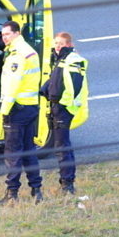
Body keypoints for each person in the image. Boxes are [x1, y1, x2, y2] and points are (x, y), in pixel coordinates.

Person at [0, 21, 43, 204]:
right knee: (29, 151)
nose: (4, 38)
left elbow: (13, 84)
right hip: (30, 107)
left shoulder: (17, 54)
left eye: (7, 34)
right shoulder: (29, 50)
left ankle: (12, 193)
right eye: (2, 35)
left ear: (16, 33)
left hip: (17, 109)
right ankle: (36, 190)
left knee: (13, 153)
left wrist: (5, 110)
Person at [41, 32, 89, 195]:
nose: (57, 46)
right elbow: (57, 79)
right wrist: (45, 89)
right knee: (61, 146)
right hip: (57, 106)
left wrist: (63, 105)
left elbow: (75, 86)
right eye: (56, 43)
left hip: (64, 108)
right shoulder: (60, 58)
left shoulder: (73, 59)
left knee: (63, 147)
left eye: (61, 43)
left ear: (68, 44)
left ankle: (67, 184)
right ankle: (66, 181)